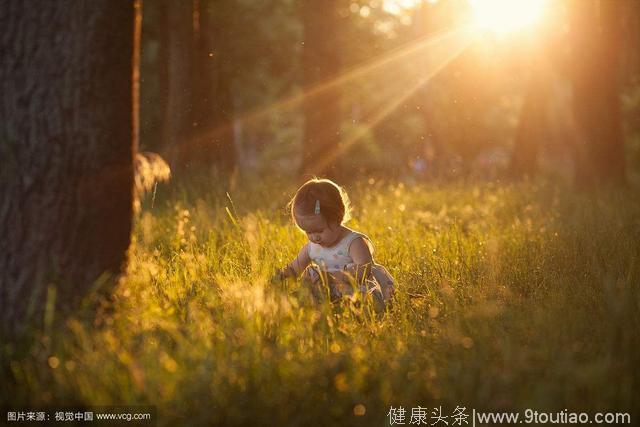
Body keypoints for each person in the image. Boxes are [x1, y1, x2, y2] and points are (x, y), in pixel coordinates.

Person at [274, 178, 395, 310]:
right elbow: (294, 267)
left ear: (338, 217)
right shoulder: (311, 248)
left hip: (355, 289)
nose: (314, 237)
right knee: (304, 291)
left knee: (363, 301)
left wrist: (331, 278)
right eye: (308, 232)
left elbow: (364, 269)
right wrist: (279, 278)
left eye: (319, 230)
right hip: (326, 292)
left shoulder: (354, 242)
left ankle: (349, 307)